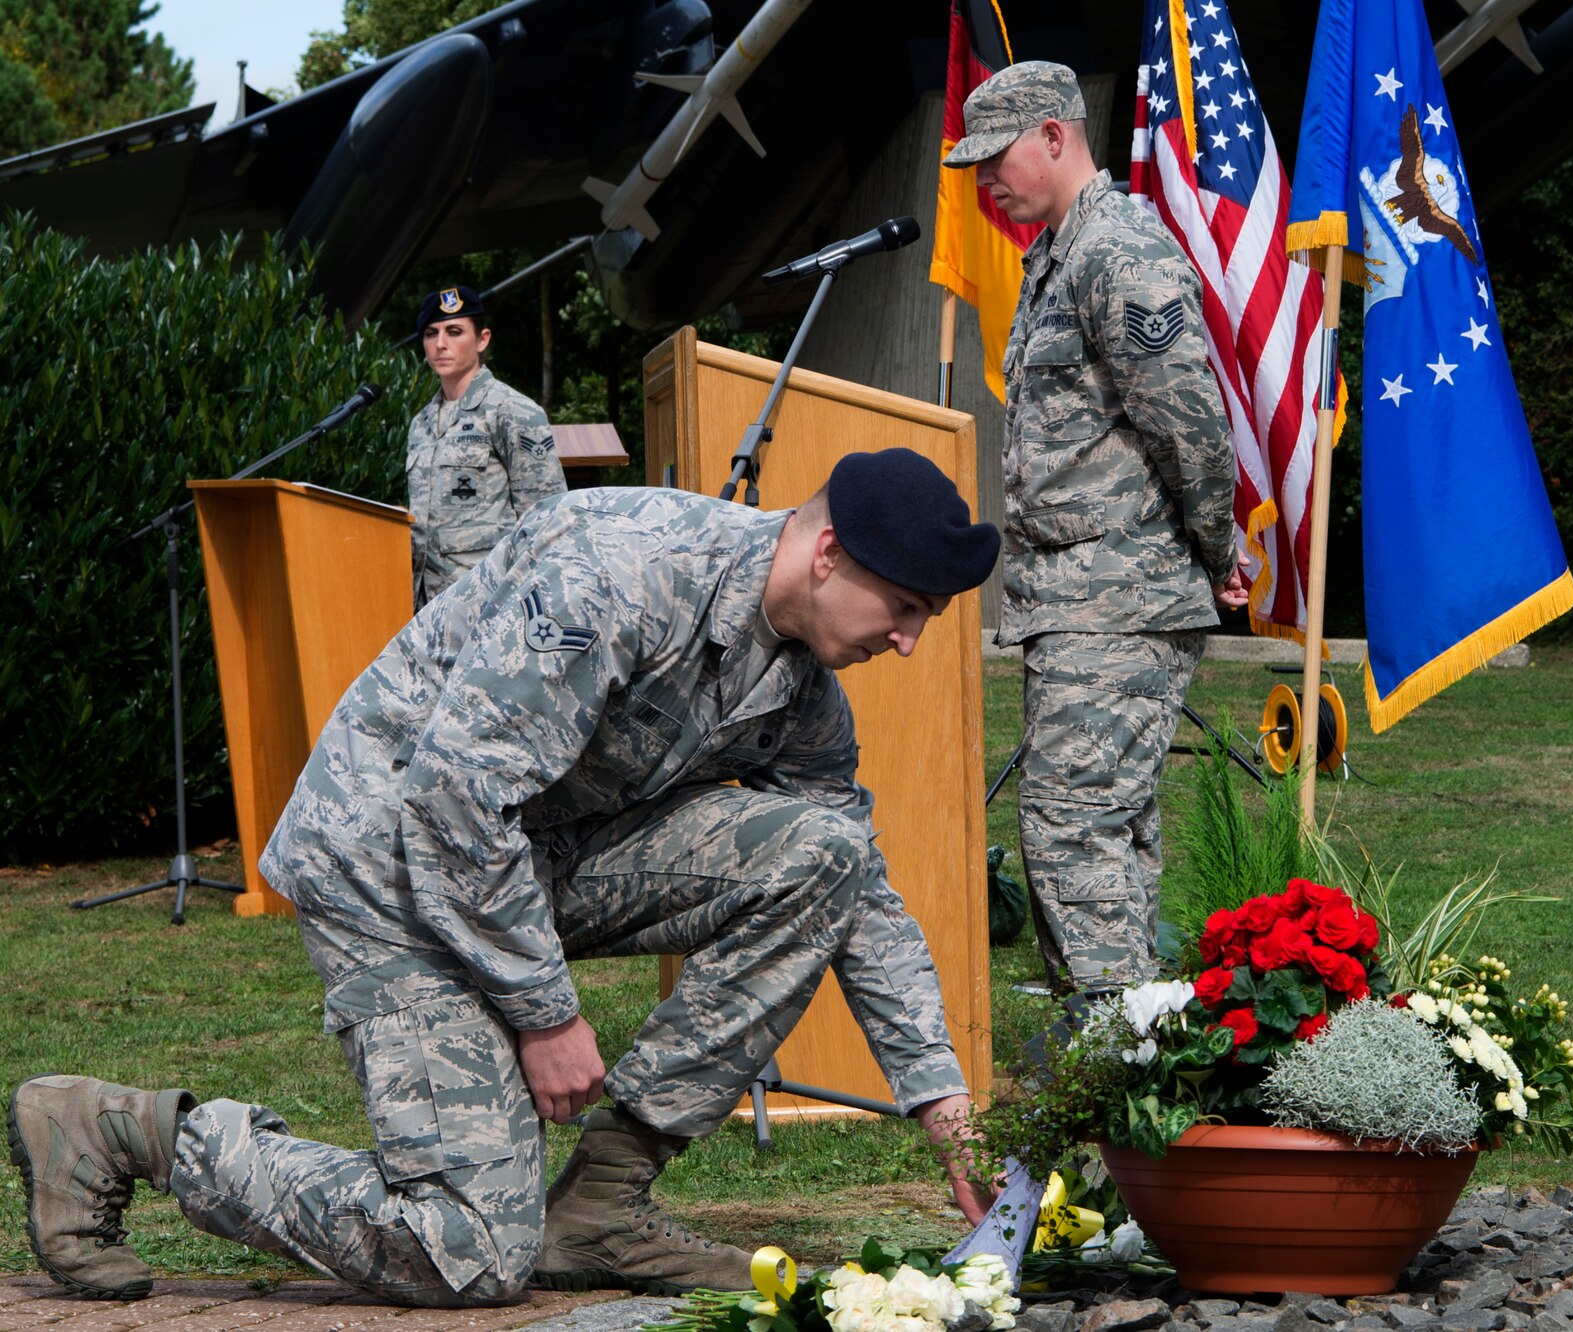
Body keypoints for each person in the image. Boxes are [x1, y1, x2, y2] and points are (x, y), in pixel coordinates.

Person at [8, 449, 1001, 1307]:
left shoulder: (801, 692)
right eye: (905, 607)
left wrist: (945, 1111)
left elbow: (862, 896)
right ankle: (127, 1131)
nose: (908, 641)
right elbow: (454, 795)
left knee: (825, 855)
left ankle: (602, 1205)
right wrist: (546, 1015)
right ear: (827, 554)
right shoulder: (623, 572)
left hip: (523, 865)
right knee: (472, 1252)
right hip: (387, 868)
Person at [943, 62, 1249, 996]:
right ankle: (1131, 1048)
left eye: (995, 157)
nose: (985, 181)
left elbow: (1189, 423)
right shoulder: (1058, 255)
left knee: (1072, 822)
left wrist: (1218, 547)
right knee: (1103, 824)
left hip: (1122, 594)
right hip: (1079, 599)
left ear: (1053, 135)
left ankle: (1115, 1046)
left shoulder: (1119, 249)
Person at [407, 284, 567, 609]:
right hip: (425, 609)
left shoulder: (512, 411)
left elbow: (548, 520)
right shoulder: (420, 424)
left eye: (454, 332)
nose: (440, 344)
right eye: (431, 333)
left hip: (488, 602)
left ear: (482, 340)